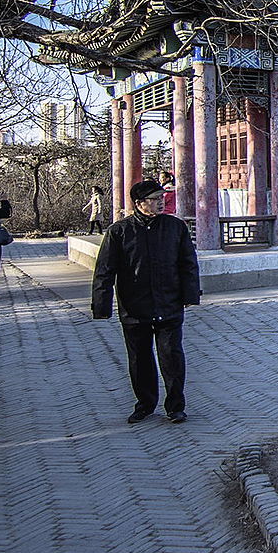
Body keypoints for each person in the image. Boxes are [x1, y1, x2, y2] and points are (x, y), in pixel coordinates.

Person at [92, 179, 201, 424]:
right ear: (139, 203)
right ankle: (145, 404)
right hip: (134, 306)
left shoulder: (175, 227)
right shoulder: (119, 232)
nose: (161, 202)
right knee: (139, 359)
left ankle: (175, 406)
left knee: (171, 357)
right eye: (154, 199)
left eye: (162, 198)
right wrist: (102, 304)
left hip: (169, 304)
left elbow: (188, 264)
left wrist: (189, 295)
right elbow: (105, 270)